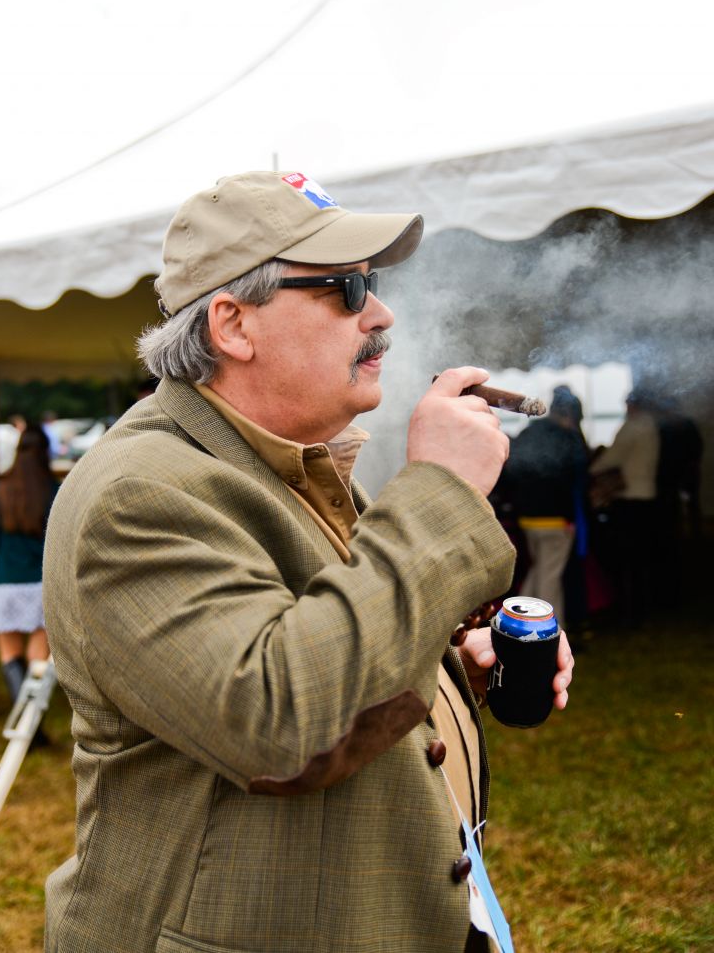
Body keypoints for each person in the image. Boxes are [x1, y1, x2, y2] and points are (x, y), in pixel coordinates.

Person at [43, 171, 573, 953]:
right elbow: (279, 717)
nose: (382, 313)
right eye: (348, 287)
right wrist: (440, 491)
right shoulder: (139, 494)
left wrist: (450, 661)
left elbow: (315, 632)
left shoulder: (281, 462)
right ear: (233, 324)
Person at [0, 424, 58, 743]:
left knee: (9, 655)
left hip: (6, 583)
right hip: (40, 582)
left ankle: (26, 731)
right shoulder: (53, 489)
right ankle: (32, 725)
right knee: (38, 658)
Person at [502, 386, 588, 629]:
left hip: (528, 518)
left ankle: (517, 622)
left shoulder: (529, 433)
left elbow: (512, 470)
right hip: (555, 520)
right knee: (551, 577)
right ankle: (550, 632)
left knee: (539, 569)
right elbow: (576, 478)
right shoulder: (567, 437)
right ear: (569, 414)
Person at [590, 389, 660, 626]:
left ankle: (629, 611)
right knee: (642, 557)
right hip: (647, 496)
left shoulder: (633, 426)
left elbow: (613, 458)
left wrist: (589, 470)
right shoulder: (650, 425)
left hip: (630, 498)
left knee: (627, 558)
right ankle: (643, 606)